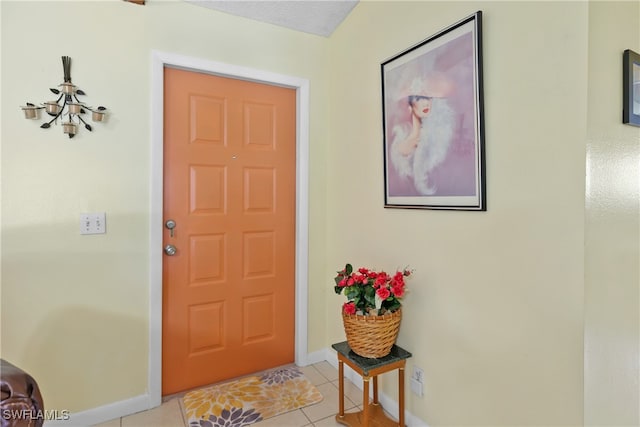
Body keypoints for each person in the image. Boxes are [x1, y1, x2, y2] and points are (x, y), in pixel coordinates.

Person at [390, 75, 455, 195]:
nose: (426, 103)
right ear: (410, 107)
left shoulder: (437, 141)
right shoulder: (401, 143)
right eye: (419, 98)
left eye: (428, 98)